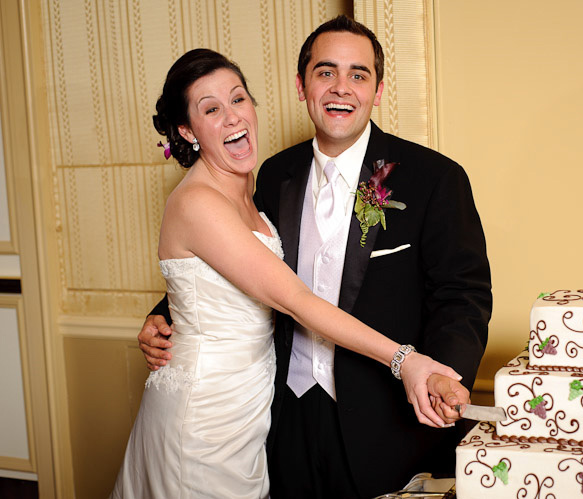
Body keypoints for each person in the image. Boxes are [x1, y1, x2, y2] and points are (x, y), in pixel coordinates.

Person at [139, 16, 492, 498]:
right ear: (302, 86)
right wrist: (164, 316)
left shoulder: (434, 179)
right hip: (282, 420)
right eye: (326, 73)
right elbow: (230, 262)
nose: (341, 88)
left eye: (358, 74)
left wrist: (440, 378)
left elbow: (462, 294)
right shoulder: (274, 173)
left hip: (384, 419)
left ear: (379, 89)